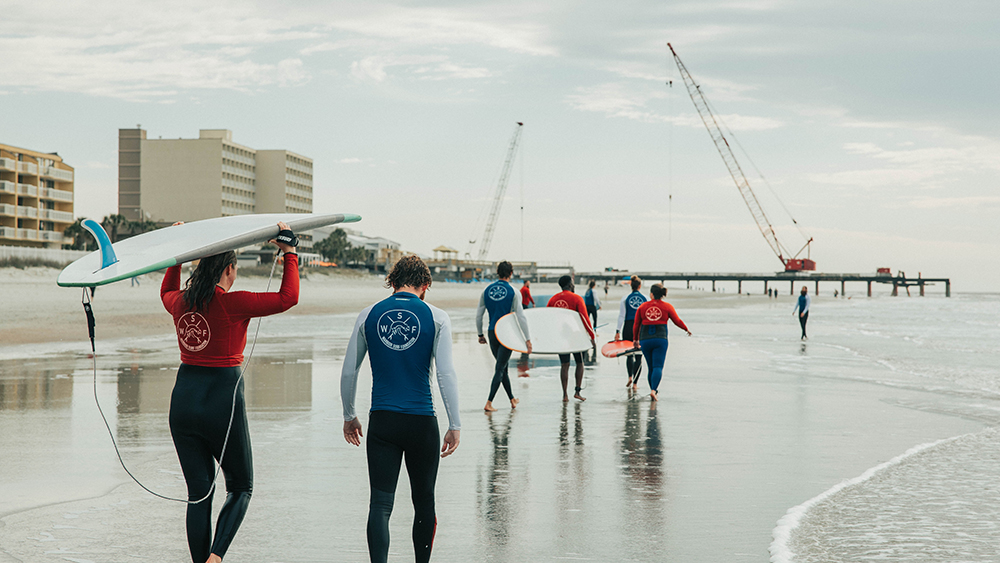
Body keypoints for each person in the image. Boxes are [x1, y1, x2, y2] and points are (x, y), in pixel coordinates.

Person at [160, 221, 299, 563]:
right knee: (240, 486)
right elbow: (288, 298)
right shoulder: (235, 303)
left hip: (183, 401)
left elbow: (165, 292)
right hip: (222, 400)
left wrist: (176, 256)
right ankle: (217, 557)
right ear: (229, 269)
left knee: (198, 495)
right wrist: (291, 253)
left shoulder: (179, 302)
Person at [341, 255, 461, 563]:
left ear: (392, 283)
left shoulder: (368, 315)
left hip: (382, 423)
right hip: (422, 423)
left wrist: (349, 415)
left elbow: (349, 371)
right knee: (424, 503)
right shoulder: (437, 317)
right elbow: (447, 374)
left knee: (380, 506)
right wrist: (455, 424)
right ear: (425, 286)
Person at [477, 261, 532, 412]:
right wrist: (527, 339)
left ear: (497, 272)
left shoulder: (486, 290)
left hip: (491, 331)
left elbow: (479, 315)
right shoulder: (514, 291)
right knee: (500, 368)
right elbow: (521, 317)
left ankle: (512, 399)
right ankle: (489, 402)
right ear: (511, 273)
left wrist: (480, 334)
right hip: (506, 334)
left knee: (503, 367)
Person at [633, 283, 690, 401]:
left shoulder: (642, 307)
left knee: (650, 367)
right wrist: (686, 329)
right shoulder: (667, 306)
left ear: (651, 294)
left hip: (645, 340)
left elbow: (636, 324)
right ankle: (654, 390)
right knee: (658, 366)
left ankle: (653, 390)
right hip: (660, 339)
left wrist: (635, 340)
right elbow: (677, 320)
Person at [548, 275, 595, 402]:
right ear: (569, 285)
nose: (574, 285)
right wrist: (592, 336)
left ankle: (564, 395)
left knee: (564, 365)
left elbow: (548, 319)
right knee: (580, 362)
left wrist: (550, 337)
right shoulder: (577, 298)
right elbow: (585, 319)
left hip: (561, 337)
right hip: (576, 337)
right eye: (573, 283)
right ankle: (577, 392)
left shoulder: (553, 299)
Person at [615, 275, 647, 389]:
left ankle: (629, 376)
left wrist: (617, 331)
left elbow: (621, 316)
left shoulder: (625, 298)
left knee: (629, 354)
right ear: (640, 286)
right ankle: (635, 383)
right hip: (641, 328)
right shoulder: (646, 298)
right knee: (639, 356)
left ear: (631, 286)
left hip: (628, 327)